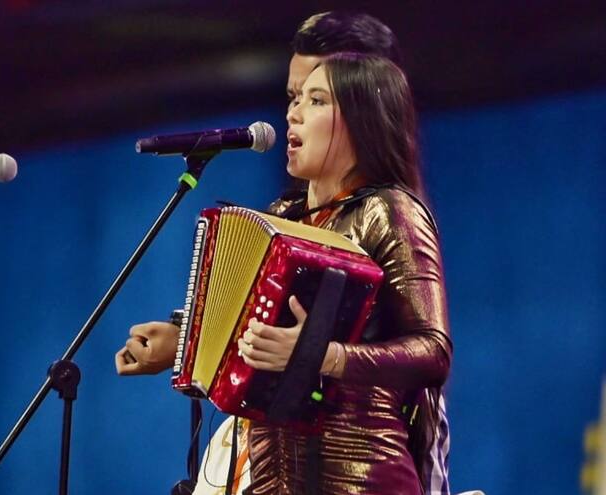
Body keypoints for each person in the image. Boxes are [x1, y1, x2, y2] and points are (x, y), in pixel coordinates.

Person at [116, 13, 452, 495]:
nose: (292, 113)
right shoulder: (282, 215)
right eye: (294, 98)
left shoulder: (390, 211)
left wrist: (324, 355)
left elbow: (432, 351)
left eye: (315, 100)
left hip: (357, 475)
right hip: (273, 474)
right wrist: (182, 343)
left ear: (362, 116)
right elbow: (251, 341)